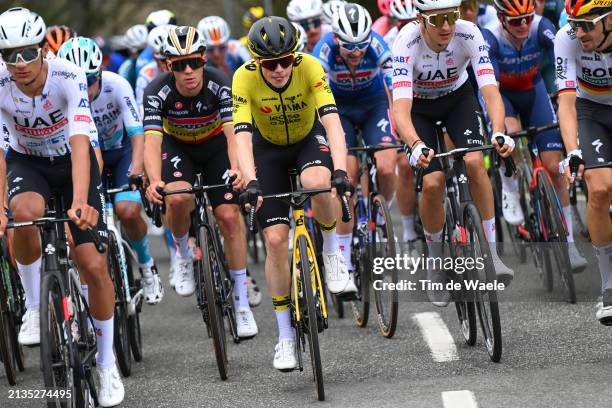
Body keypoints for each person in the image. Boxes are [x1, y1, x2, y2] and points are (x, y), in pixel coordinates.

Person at [0, 7, 123, 406]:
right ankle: (35, 307)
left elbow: (80, 145)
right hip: (28, 163)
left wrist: (84, 202)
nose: (18, 63)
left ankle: (106, 363)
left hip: (72, 163)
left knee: (92, 265)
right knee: (22, 215)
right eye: (8, 55)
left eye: (26, 53)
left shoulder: (68, 75)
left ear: (41, 50)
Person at [234, 17, 353, 370]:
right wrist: (249, 178)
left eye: (286, 60)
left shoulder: (311, 67)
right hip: (266, 148)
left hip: (306, 140)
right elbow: (241, 135)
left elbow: (332, 122)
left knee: (319, 180)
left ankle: (332, 254)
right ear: (257, 62)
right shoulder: (243, 77)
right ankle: (285, 335)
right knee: (274, 241)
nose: (280, 69)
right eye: (271, 64)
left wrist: (341, 170)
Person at [392, 0, 516, 306]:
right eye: (437, 20)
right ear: (420, 19)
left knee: (475, 162)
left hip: (458, 100)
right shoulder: (406, 41)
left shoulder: (469, 33)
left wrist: (499, 130)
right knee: (432, 183)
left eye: (451, 16)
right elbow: (401, 109)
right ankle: (436, 265)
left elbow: (489, 91)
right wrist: (415, 144)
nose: (446, 26)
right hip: (418, 108)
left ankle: (492, 254)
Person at [143, 26, 257, 338]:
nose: (188, 71)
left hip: (216, 148)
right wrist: (154, 181)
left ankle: (242, 302)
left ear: (204, 59)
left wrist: (237, 169)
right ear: (168, 66)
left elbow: (234, 134)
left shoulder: (221, 82)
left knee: (229, 217)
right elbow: (152, 143)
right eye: (179, 65)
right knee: (178, 198)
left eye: (194, 62)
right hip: (177, 148)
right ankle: (181, 253)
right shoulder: (156, 90)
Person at [58, 36, 164, 304]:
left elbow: (137, 134)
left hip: (122, 151)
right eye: (79, 81)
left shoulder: (117, 85)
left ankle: (146, 264)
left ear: (101, 73)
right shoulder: (62, 96)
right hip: (86, 155)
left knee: (127, 209)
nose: (87, 87)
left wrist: (138, 171)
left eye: (91, 80)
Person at [483, 0, 587, 271]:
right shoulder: (490, 36)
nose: (523, 25)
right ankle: (509, 187)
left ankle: (570, 243)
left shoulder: (542, 27)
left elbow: (562, 60)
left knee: (554, 166)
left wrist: (563, 94)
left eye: (527, 18)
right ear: (501, 17)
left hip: (534, 90)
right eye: (516, 21)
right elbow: (490, 86)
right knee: (512, 136)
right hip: (503, 95)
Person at [313, 3, 399, 276]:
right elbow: (316, 96)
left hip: (373, 105)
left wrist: (400, 126)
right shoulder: (324, 50)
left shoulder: (377, 45)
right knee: (347, 177)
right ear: (336, 38)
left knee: (386, 164)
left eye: (361, 44)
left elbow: (395, 89)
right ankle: (344, 255)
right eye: (349, 46)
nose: (356, 52)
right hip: (339, 111)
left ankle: (382, 215)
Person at [556, 0, 612, 323]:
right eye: (575, 23)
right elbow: (565, 102)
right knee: (600, 188)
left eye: (587, 25)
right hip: (591, 112)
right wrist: (572, 150)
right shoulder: (566, 38)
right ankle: (608, 285)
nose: (580, 32)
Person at [383, 0, 421, 251]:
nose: (408, 27)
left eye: (413, 22)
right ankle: (408, 230)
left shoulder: (431, 31)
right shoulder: (388, 41)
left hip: (435, 96)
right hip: (402, 101)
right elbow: (388, 90)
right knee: (405, 166)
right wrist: (395, 127)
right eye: (403, 24)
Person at [135, 24, 174, 116]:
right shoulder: (146, 75)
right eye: (163, 60)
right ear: (154, 57)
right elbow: (141, 110)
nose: (169, 65)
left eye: (173, 58)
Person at [118, 24, 148, 89]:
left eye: (147, 49)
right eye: (141, 51)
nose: (145, 54)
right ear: (130, 51)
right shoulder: (126, 69)